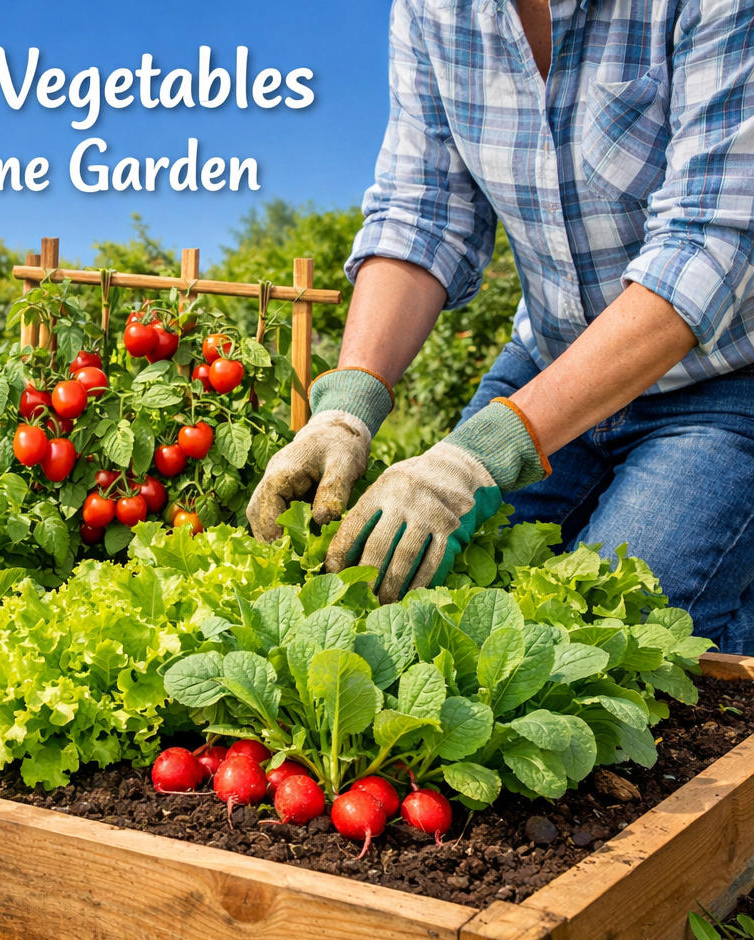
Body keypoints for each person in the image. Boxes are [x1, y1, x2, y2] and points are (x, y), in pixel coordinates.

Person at [246, 0, 754, 653]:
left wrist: (480, 454)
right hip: (550, 358)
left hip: (725, 376)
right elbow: (423, 211)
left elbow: (709, 244)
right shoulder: (435, 10)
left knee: (619, 638)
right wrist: (347, 408)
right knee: (421, 601)